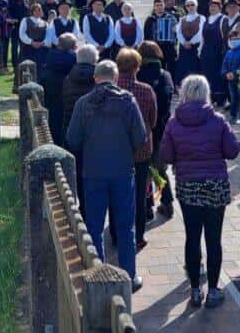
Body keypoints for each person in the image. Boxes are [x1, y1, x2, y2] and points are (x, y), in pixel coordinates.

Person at [67, 59, 147, 293]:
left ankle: (99, 274)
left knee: (94, 225)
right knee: (125, 226)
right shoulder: (127, 101)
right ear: (116, 78)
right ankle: (129, 275)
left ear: (95, 78)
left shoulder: (83, 103)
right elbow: (140, 137)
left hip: (93, 172)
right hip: (122, 170)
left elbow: (73, 139)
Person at [160, 74, 239, 308]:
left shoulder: (174, 122)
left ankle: (195, 290)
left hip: (188, 184)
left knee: (192, 237)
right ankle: (213, 290)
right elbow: (232, 151)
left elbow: (166, 155)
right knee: (214, 238)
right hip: (215, 183)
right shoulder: (218, 120)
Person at [113, 48, 157, 251]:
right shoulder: (146, 90)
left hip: (117, 148)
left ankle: (116, 234)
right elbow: (153, 119)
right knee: (139, 193)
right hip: (141, 148)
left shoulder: (111, 90)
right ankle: (138, 235)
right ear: (137, 67)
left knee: (116, 193)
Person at [137, 41, 175, 218]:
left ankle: (147, 207)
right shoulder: (166, 75)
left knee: (144, 169)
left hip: (144, 127)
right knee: (160, 169)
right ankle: (167, 202)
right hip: (162, 128)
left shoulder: (138, 75)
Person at [62, 44, 99, 215]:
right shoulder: (98, 81)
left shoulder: (68, 79)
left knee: (79, 171)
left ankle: (82, 208)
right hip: (95, 134)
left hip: (73, 129)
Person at [41, 33, 78, 142]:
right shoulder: (74, 59)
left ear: (58, 45)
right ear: (74, 47)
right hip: (68, 94)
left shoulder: (49, 56)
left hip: (51, 92)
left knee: (53, 119)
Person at [201, 0, 228, 106]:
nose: (212, 8)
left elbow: (225, 37)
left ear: (220, 8)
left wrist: (223, 51)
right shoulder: (207, 19)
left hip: (217, 52)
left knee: (217, 75)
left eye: (215, 6)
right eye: (211, 6)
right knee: (207, 75)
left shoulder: (223, 19)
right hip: (206, 52)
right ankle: (209, 97)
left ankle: (220, 98)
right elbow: (202, 37)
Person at [221, 28, 240, 123]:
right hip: (231, 81)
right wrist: (226, 74)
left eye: (237, 39)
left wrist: (234, 74)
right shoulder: (229, 53)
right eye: (233, 39)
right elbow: (224, 66)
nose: (235, 41)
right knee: (233, 98)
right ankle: (233, 115)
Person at [144, 0, 177, 75]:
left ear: (164, 6)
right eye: (157, 5)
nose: (159, 7)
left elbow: (176, 33)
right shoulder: (150, 19)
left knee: (171, 68)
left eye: (161, 5)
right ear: (154, 7)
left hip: (169, 47)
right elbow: (146, 35)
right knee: (157, 68)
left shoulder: (171, 18)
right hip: (155, 47)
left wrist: (174, 30)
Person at [175, 0, 203, 85]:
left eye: (192, 5)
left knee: (195, 69)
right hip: (184, 48)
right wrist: (184, 42)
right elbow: (178, 32)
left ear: (196, 6)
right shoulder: (182, 19)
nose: (190, 7)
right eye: (188, 5)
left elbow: (201, 32)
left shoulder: (201, 18)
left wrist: (191, 42)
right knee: (183, 70)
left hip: (196, 48)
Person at [18, 2, 49, 77]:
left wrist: (42, 43)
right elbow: (22, 34)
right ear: (32, 11)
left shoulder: (45, 23)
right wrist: (31, 42)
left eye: (39, 10)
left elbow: (48, 36)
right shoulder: (26, 20)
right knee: (27, 69)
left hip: (41, 49)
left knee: (41, 69)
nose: (38, 12)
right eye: (36, 10)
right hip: (28, 49)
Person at [7, 0, 28, 69]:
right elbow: (8, 12)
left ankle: (22, 63)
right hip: (14, 27)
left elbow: (28, 11)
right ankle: (15, 65)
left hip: (24, 27)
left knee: (24, 47)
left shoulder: (26, 0)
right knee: (14, 47)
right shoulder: (10, 1)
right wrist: (11, 19)